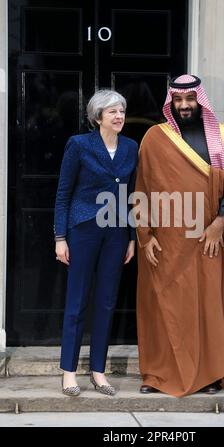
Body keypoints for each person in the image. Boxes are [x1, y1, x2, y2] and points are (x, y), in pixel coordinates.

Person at [135, 74, 224, 397]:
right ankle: (157, 374)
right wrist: (145, 236)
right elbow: (143, 189)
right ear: (170, 102)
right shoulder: (154, 139)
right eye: (179, 100)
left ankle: (213, 375)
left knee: (209, 307)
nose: (185, 105)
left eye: (190, 100)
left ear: (199, 101)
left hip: (208, 241)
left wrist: (219, 223)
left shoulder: (222, 137)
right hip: (167, 243)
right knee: (164, 307)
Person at [54, 90, 138, 396]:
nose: (119, 117)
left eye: (122, 111)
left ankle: (99, 372)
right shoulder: (79, 145)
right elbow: (64, 193)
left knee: (105, 302)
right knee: (77, 302)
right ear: (98, 116)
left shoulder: (131, 147)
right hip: (84, 230)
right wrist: (60, 237)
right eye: (112, 111)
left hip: (116, 233)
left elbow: (130, 196)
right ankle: (68, 372)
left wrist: (131, 237)